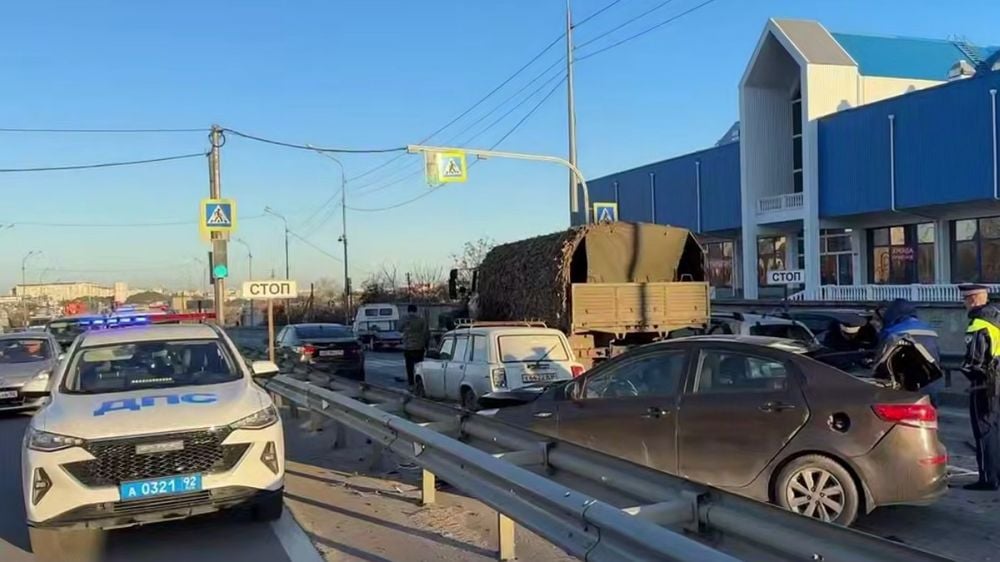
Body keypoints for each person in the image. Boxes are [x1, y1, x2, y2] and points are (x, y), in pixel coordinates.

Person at [959, 283, 1000, 491]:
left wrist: (966, 373)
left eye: (965, 300)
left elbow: (974, 362)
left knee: (984, 431)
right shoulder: (997, 318)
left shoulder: (978, 324)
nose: (964, 304)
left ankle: (988, 478)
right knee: (996, 429)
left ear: (973, 299)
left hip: (985, 386)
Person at [878, 298, 942, 405]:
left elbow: (881, 361)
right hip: (930, 382)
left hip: (904, 387)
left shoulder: (892, 332)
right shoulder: (929, 330)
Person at [400, 304, 429, 389]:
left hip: (408, 347)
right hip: (419, 346)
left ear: (408, 310)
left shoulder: (405, 319)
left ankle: (411, 384)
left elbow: (399, 328)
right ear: (416, 310)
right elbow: (425, 333)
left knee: (409, 366)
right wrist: (425, 345)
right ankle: (420, 383)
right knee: (419, 366)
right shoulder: (421, 320)